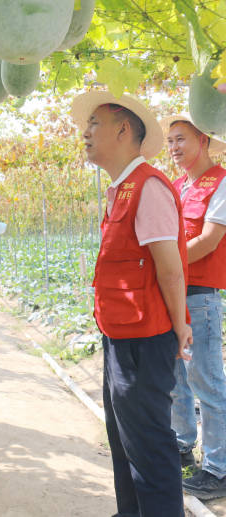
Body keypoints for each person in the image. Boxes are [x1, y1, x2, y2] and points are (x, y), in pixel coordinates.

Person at [71, 92, 192, 517]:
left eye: (94, 124)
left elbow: (170, 269)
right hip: (121, 336)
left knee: (149, 446)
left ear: (123, 130)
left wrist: (180, 326)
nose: (85, 133)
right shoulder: (122, 188)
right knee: (125, 440)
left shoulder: (149, 187)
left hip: (145, 340)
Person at [162, 113, 226, 500]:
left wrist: (167, 266)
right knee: (176, 379)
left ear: (203, 139)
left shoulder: (221, 182)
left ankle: (218, 468)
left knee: (206, 380)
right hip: (171, 292)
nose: (173, 148)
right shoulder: (174, 186)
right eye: (169, 141)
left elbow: (209, 240)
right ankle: (183, 444)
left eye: (180, 139)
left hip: (198, 295)